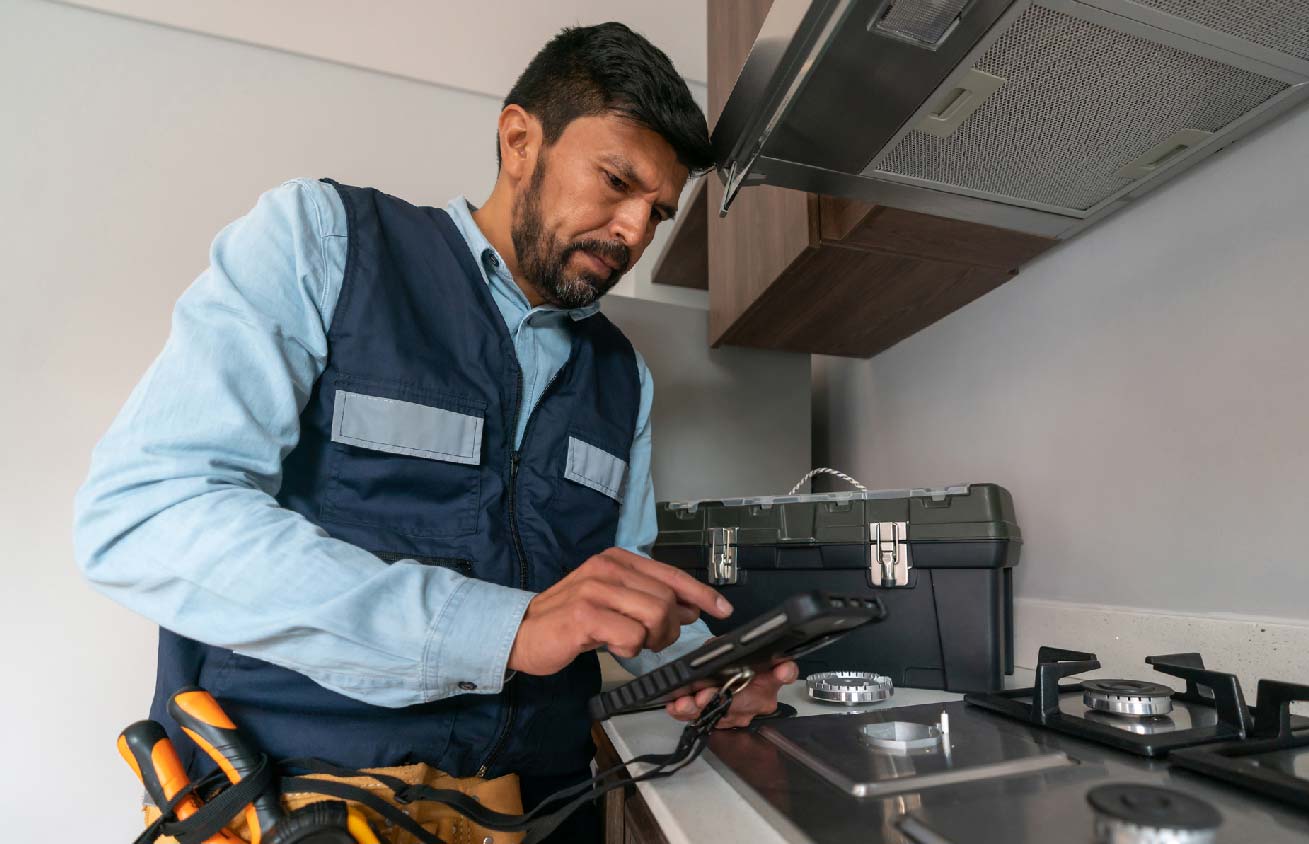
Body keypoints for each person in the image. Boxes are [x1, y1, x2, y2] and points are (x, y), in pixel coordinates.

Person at [74, 22, 797, 843]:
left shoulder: (621, 375)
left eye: (658, 211)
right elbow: (143, 515)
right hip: (306, 805)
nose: (634, 229)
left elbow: (619, 591)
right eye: (615, 180)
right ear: (520, 140)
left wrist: (705, 669)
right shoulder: (325, 241)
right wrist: (505, 629)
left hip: (545, 808)